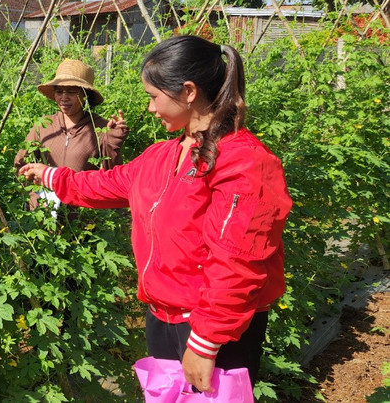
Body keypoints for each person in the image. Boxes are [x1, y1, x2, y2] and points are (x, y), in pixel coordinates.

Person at [19, 35, 291, 393]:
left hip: (212, 327)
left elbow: (237, 261)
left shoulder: (244, 161)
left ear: (189, 92)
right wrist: (51, 175)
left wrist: (206, 341)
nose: (150, 108)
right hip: (162, 316)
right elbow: (112, 183)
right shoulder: (163, 155)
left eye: (153, 96)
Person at [14, 59, 128, 214]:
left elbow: (112, 178)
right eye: (59, 91)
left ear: (85, 94)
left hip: (83, 218)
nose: (64, 97)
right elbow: (20, 166)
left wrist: (113, 143)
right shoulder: (43, 126)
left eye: (71, 92)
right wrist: (34, 198)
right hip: (44, 215)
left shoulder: (100, 127)